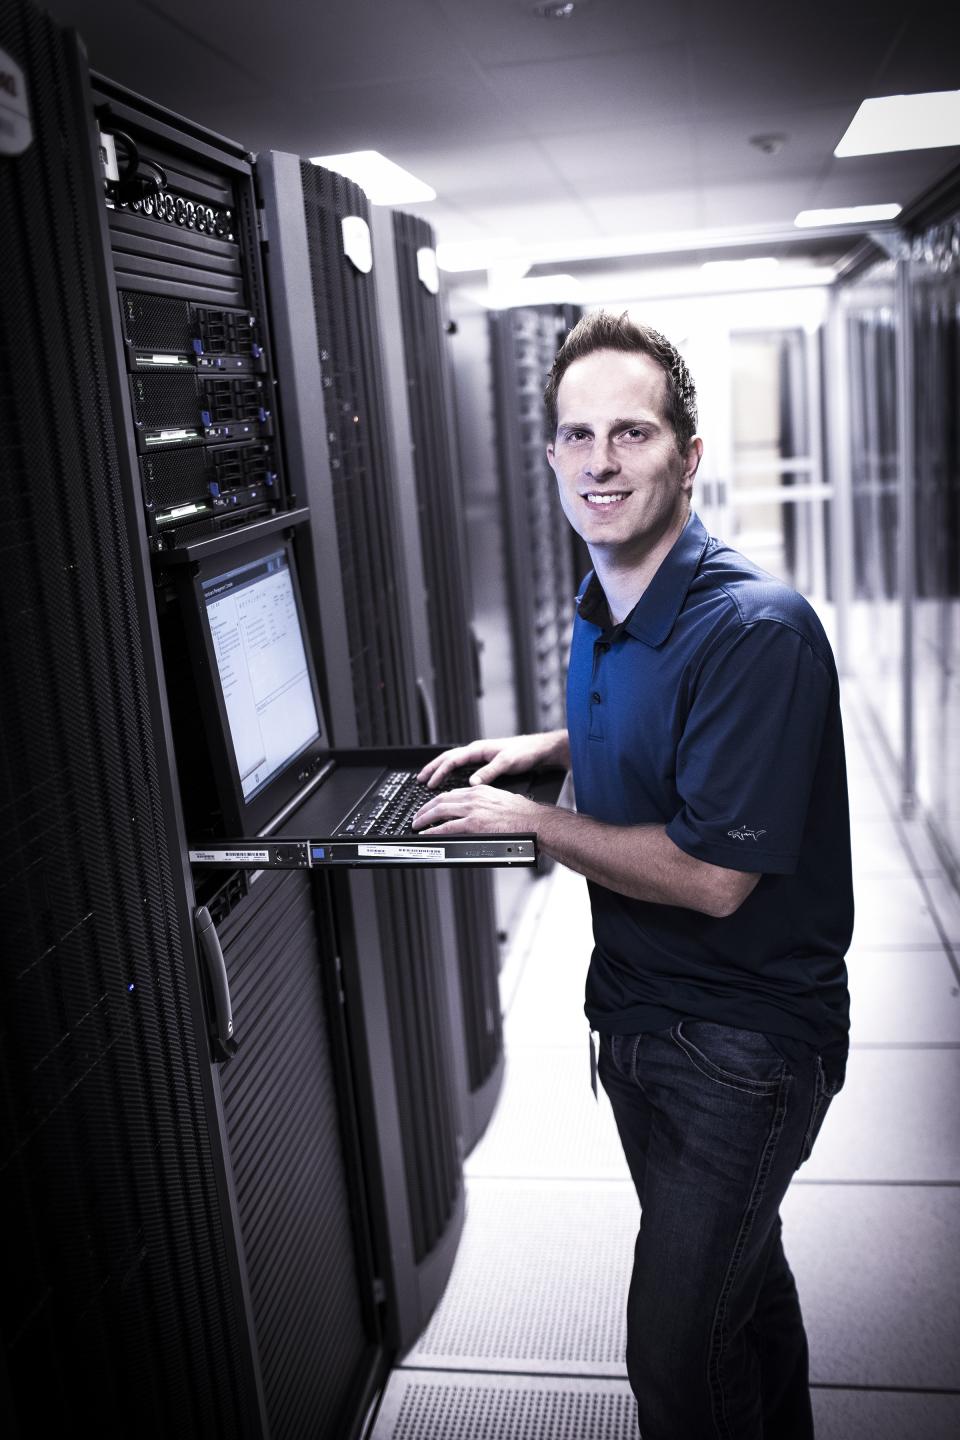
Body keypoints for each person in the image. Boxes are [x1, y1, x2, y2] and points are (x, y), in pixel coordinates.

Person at [412, 310, 852, 1439]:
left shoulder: (758, 630)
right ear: (550, 453)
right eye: (575, 435)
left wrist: (531, 823)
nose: (599, 462)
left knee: (673, 1358)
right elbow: (659, 724)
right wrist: (552, 751)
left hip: (743, 1045)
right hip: (641, 1017)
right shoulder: (604, 600)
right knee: (743, 1301)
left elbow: (712, 877)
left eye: (632, 433)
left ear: (688, 455)